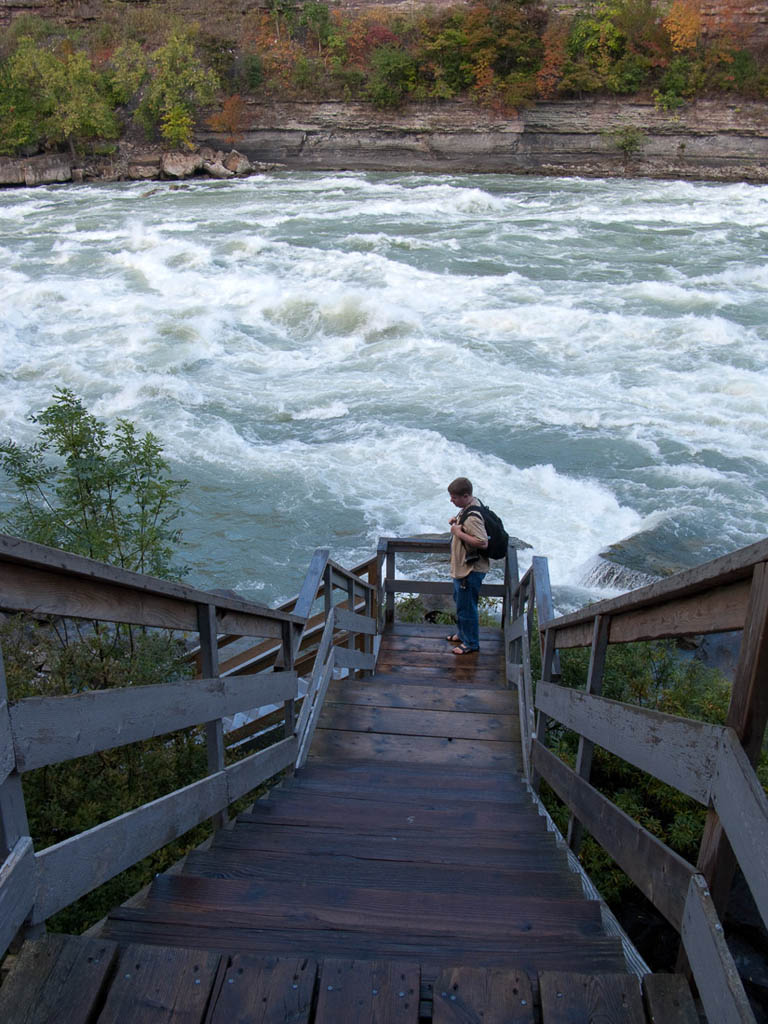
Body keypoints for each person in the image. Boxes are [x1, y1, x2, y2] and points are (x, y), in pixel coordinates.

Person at [446, 476, 489, 655]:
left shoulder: (472, 517)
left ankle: (471, 643)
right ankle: (463, 634)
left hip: (470, 570)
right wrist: (456, 524)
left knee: (467, 608)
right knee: (461, 604)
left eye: (454, 497)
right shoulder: (470, 506)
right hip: (464, 568)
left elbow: (482, 542)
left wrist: (458, 532)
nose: (451, 500)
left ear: (465, 496)